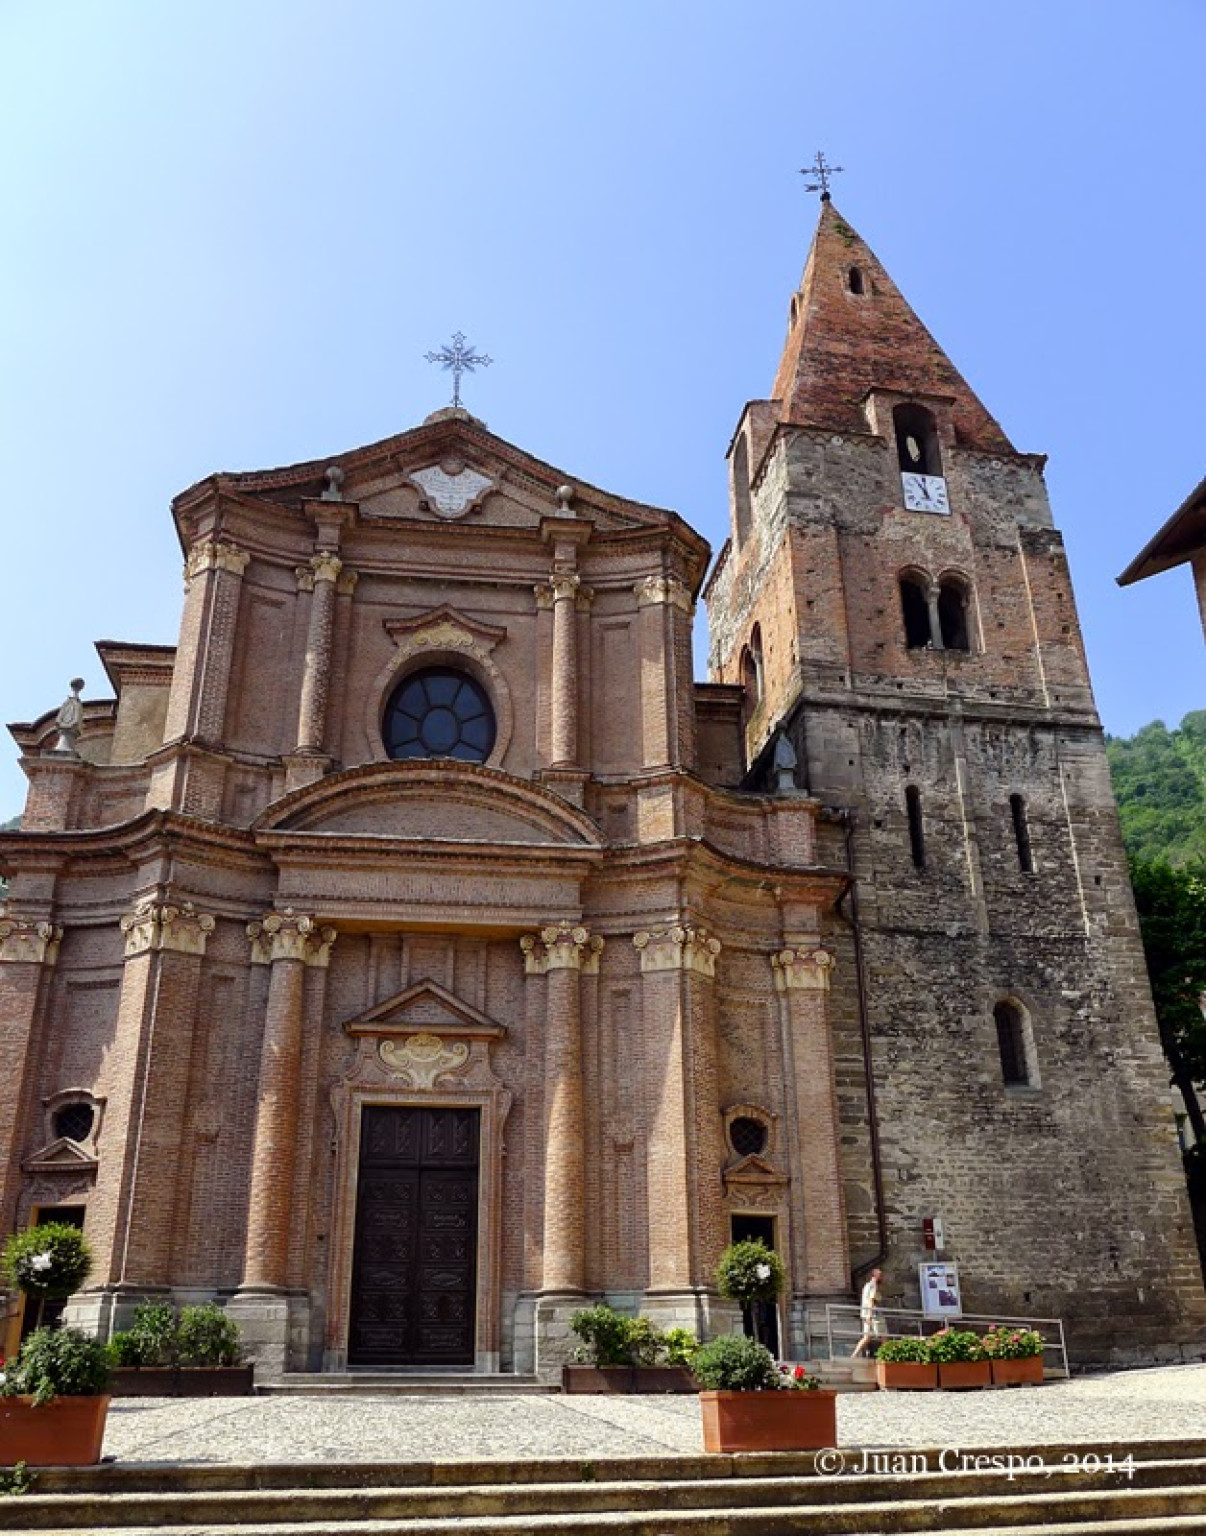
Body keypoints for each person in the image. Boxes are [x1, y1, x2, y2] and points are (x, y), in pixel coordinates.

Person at [851, 1267, 884, 1358]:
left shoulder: (867, 1285)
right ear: (876, 1276)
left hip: (866, 1314)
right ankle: (887, 1357)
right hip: (874, 1315)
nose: (882, 1277)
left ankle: (853, 1356)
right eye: (881, 1275)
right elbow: (871, 1300)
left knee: (867, 1337)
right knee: (884, 1336)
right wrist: (870, 1315)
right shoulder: (873, 1285)